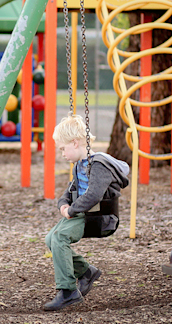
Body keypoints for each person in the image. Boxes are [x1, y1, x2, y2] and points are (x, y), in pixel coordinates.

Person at [43, 112, 129, 311]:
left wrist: (72, 210)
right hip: (85, 213)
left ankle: (68, 291)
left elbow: (93, 195)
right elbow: (71, 189)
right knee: (51, 239)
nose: (62, 153)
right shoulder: (79, 166)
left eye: (63, 149)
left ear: (75, 143)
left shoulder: (98, 165)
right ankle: (86, 272)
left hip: (100, 216)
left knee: (60, 237)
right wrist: (63, 204)